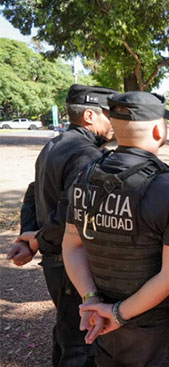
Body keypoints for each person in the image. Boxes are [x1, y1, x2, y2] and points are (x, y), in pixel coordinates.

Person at [62, 91, 169, 366]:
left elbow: (71, 244)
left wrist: (92, 300)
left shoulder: (85, 176)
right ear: (157, 128)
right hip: (160, 333)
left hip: (107, 328)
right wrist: (115, 313)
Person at [6, 84, 118, 367]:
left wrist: (27, 238)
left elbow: (32, 192)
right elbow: (72, 214)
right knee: (82, 345)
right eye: (109, 114)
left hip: (56, 263)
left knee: (66, 330)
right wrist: (36, 241)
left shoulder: (55, 144)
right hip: (73, 262)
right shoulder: (88, 155)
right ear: (90, 116)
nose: (114, 121)